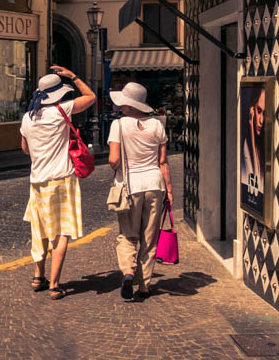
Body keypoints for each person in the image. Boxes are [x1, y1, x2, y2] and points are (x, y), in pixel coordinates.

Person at [20, 65, 96, 300]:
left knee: (40, 231)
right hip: (62, 179)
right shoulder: (63, 110)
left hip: (37, 181)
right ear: (58, 93)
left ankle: (37, 276)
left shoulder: (28, 117)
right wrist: (73, 76)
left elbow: (25, 149)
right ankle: (54, 285)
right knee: (61, 234)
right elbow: (91, 97)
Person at [108, 82, 173, 300]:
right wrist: (170, 192)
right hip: (155, 185)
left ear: (128, 105)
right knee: (149, 236)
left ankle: (128, 273)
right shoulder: (157, 125)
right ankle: (144, 285)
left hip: (130, 187)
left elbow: (114, 159)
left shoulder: (118, 125)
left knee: (128, 234)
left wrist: (117, 167)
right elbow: (163, 162)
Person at [241, 85, 265, 194]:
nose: (261, 120)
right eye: (259, 111)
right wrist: (251, 133)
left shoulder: (266, 145)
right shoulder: (246, 145)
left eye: (265, 113)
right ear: (252, 110)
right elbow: (255, 190)